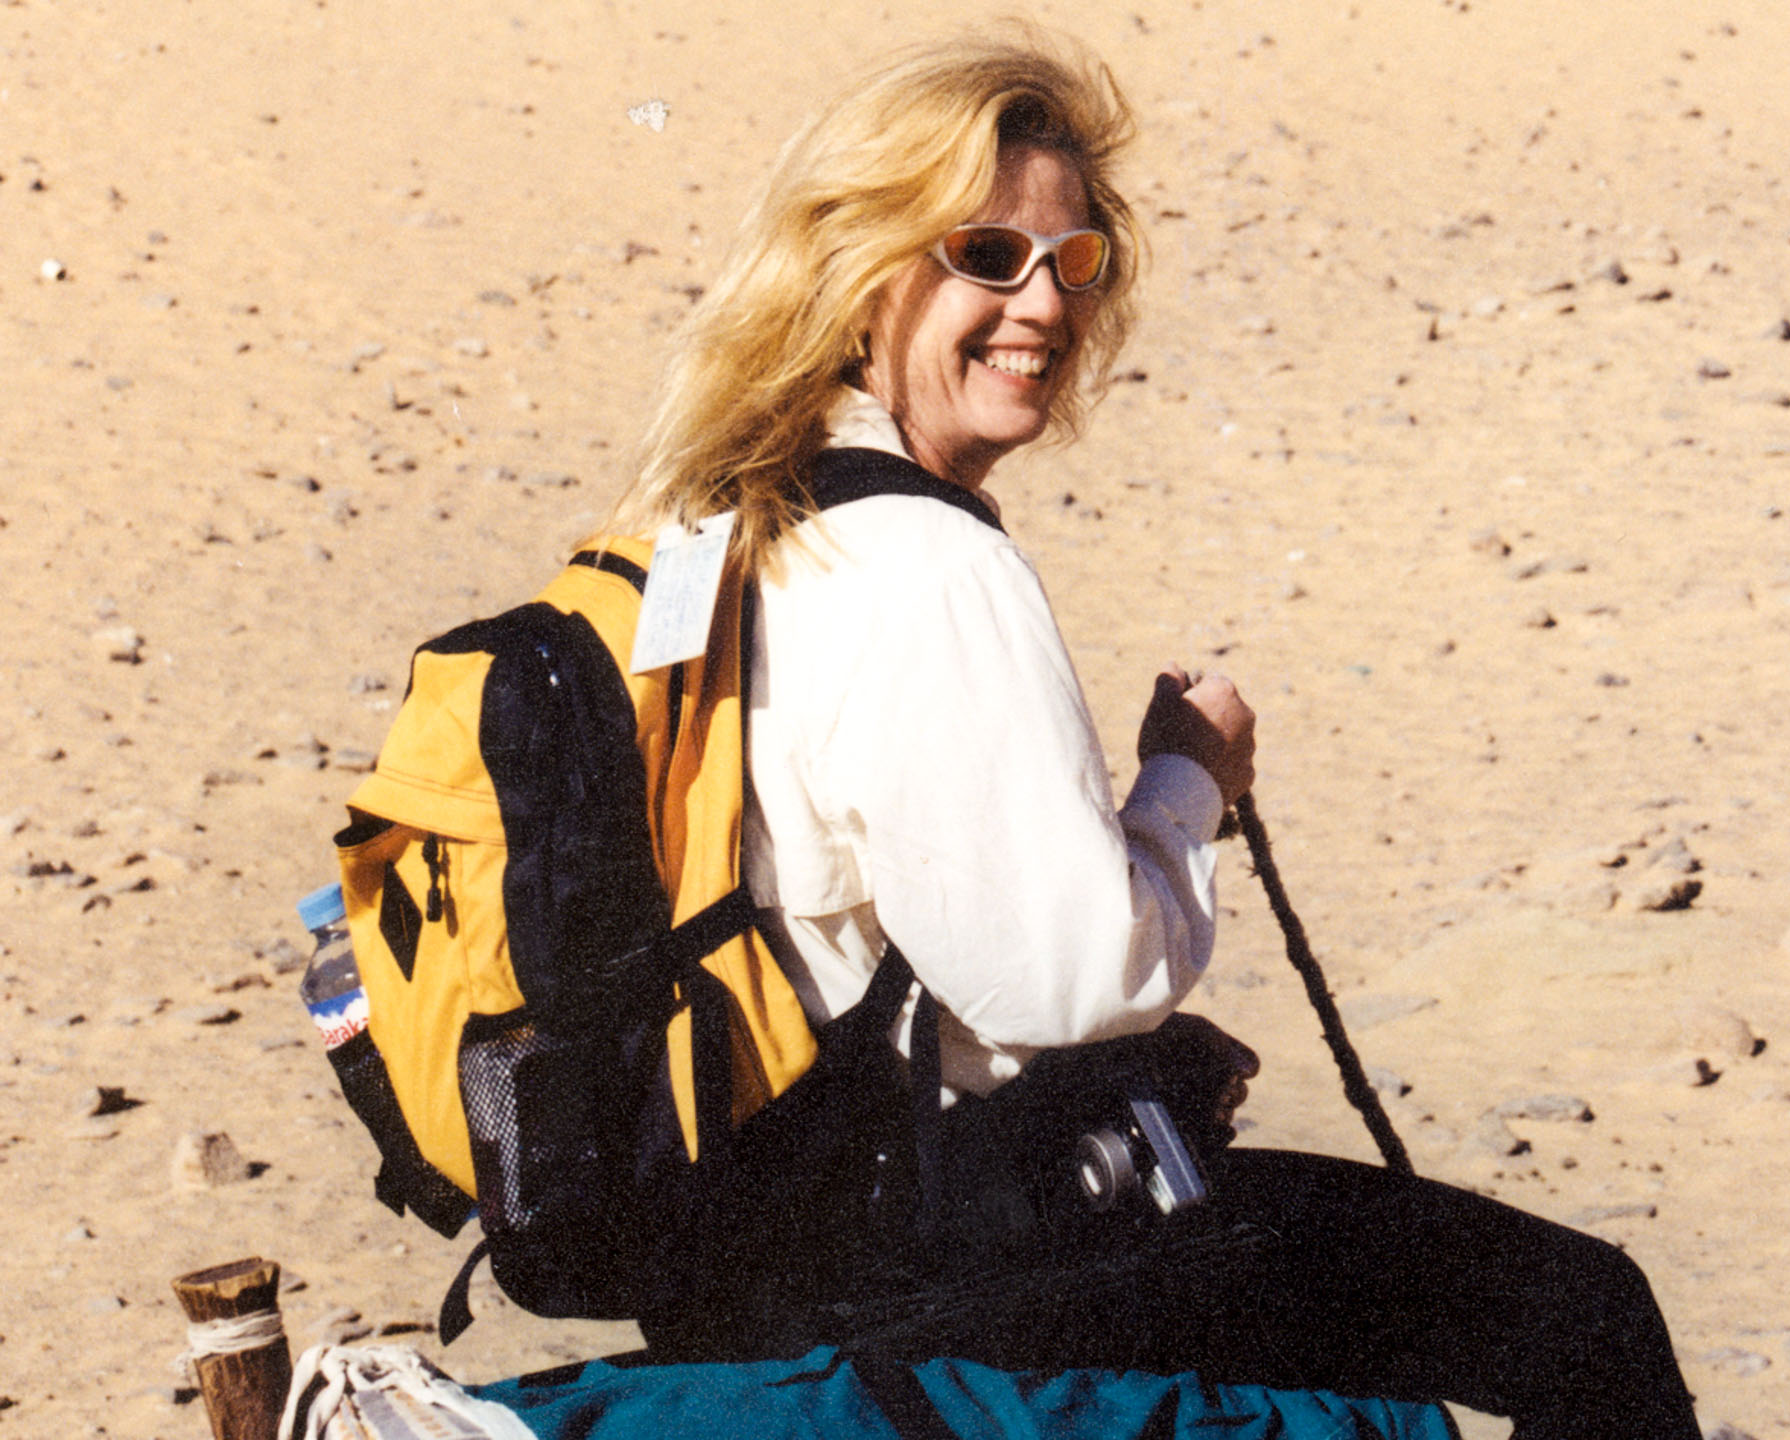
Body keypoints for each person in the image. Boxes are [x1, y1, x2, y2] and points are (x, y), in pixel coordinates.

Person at [602, 28, 1703, 1440]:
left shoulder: (715, 529)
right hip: (945, 1261)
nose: (1040, 307)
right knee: (1577, 1312)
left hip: (756, 1230)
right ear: (864, 270)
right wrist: (1188, 782)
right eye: (985, 259)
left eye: (1074, 263)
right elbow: (1066, 978)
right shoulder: (929, 571)